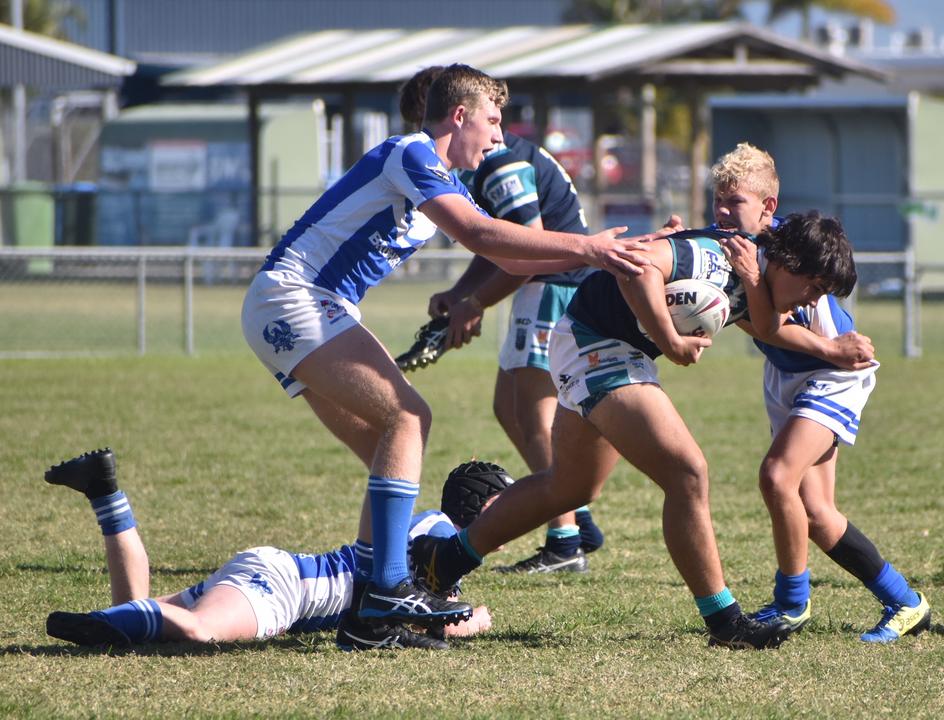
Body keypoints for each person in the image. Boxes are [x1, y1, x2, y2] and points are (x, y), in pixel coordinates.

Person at [240, 63, 648, 633]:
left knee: (383, 444)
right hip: (296, 299)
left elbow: (509, 258)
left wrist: (606, 255)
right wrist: (586, 246)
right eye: (493, 120)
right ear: (460, 116)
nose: (501, 136)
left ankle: (370, 610)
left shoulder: (445, 180)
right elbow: (484, 237)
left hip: (300, 306)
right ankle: (387, 589)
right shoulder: (410, 154)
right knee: (408, 419)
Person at [412, 208, 855, 650]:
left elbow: (765, 326)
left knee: (568, 488)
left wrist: (831, 349)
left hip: (598, 344)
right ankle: (725, 621)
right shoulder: (717, 257)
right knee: (687, 471)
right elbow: (638, 267)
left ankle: (442, 560)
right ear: (788, 261)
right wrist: (671, 341)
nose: (813, 301)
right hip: (597, 345)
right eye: (814, 287)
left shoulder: (755, 273)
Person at [705, 144, 931, 643]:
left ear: (767, 206)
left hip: (834, 375)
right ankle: (907, 603)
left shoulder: (792, 245)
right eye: (717, 199)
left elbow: (769, 325)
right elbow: (760, 328)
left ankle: (791, 604)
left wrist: (830, 348)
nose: (722, 210)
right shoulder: (730, 247)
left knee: (776, 476)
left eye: (734, 201)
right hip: (791, 375)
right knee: (817, 515)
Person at [400, 66, 605, 573]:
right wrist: (461, 292)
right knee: (507, 406)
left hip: (555, 288)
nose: (419, 135)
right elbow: (493, 243)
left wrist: (475, 303)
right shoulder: (477, 165)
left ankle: (564, 541)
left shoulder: (500, 164)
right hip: (542, 287)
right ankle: (576, 516)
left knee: (535, 416)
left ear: (451, 113)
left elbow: (527, 250)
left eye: (421, 121)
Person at [43, 449, 513, 650]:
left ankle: (105, 492)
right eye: (506, 504)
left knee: (134, 614)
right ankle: (92, 622)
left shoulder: (437, 539)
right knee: (200, 633)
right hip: (285, 589)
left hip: (279, 574)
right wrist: (472, 619)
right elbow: (422, 615)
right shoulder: (437, 529)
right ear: (483, 504)